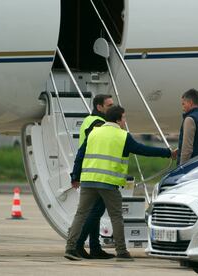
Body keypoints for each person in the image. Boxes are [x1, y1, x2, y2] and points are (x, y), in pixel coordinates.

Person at [65, 106, 176, 261]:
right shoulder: (122, 136)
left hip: (88, 180)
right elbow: (143, 149)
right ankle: (122, 251)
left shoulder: (93, 133)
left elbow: (80, 154)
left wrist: (75, 175)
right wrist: (167, 153)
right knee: (116, 216)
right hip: (108, 183)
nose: (125, 121)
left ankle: (70, 247)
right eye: (124, 118)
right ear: (118, 120)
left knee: (81, 214)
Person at [74, 94, 115, 259]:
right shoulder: (98, 124)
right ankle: (78, 244)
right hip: (95, 172)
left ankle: (95, 247)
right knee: (95, 210)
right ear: (99, 107)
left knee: (94, 211)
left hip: (89, 170)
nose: (113, 108)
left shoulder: (89, 119)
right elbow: (84, 149)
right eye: (109, 105)